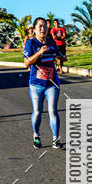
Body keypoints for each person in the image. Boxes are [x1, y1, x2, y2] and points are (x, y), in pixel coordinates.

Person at [23, 17, 61, 149]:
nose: (43, 28)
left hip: (52, 83)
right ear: (34, 29)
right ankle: (36, 136)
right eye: (40, 26)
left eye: (45, 26)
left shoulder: (52, 42)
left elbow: (59, 54)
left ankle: (56, 139)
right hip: (36, 84)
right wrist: (39, 52)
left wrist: (61, 56)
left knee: (53, 111)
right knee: (38, 112)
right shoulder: (31, 43)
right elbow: (26, 63)